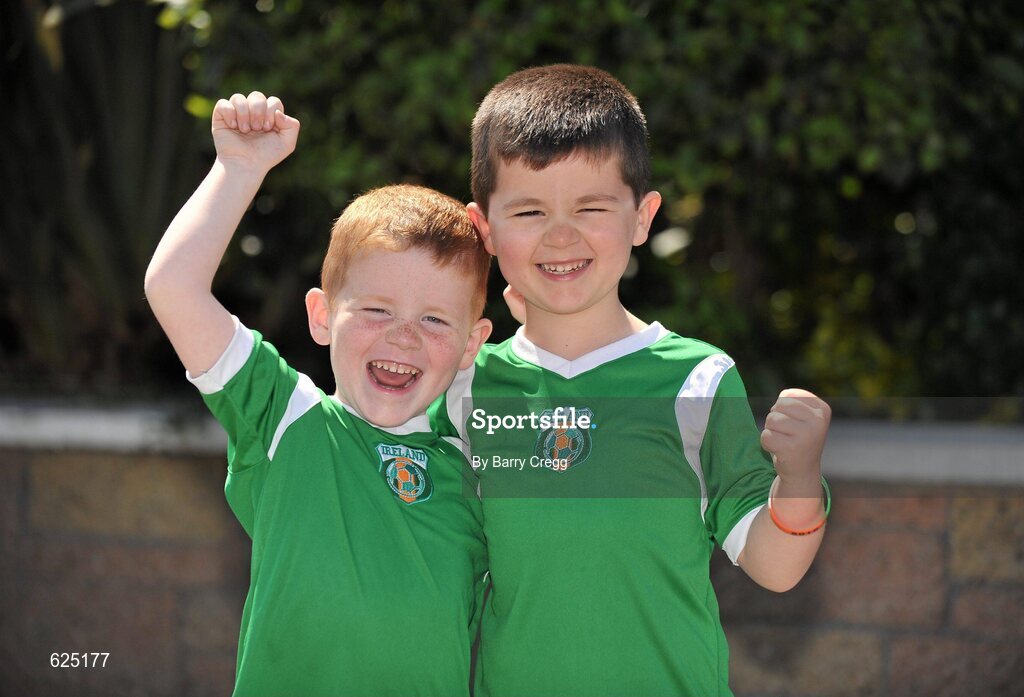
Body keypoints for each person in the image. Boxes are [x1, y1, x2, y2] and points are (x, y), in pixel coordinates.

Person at [432, 65, 831, 697]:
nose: (561, 234)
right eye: (529, 209)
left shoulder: (698, 380)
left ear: (642, 217)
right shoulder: (461, 388)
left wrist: (802, 473)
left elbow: (775, 567)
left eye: (591, 206)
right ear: (486, 229)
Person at [144, 92, 492, 697]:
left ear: (472, 345)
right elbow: (173, 287)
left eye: (435, 320)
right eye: (378, 309)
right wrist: (239, 169)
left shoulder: (480, 456)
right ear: (321, 315)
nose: (404, 336)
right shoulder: (285, 417)